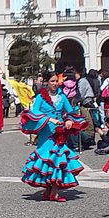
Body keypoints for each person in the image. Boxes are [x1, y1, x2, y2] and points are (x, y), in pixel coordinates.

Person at [19, 71, 86, 202]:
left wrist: (68, 120)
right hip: (45, 132)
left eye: (56, 81)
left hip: (59, 132)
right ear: (46, 82)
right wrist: (48, 119)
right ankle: (49, 190)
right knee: (46, 158)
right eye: (52, 81)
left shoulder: (62, 96)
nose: (55, 84)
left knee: (57, 158)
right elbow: (35, 111)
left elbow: (70, 111)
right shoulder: (40, 97)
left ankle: (53, 192)